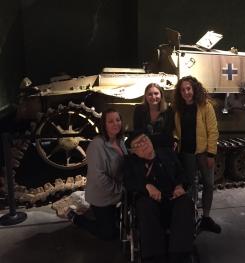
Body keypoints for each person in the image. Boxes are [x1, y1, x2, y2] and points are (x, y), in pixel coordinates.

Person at [124, 133, 194, 263]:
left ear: (150, 140)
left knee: (185, 202)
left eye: (144, 139)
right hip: (150, 203)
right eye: (137, 145)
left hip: (172, 198)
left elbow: (181, 173)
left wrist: (179, 186)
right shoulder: (130, 162)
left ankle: (179, 255)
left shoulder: (167, 153)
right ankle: (155, 257)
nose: (142, 144)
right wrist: (146, 186)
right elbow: (128, 182)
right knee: (144, 205)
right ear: (133, 151)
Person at [66, 108, 127, 241]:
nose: (115, 124)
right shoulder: (97, 145)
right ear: (104, 125)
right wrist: (121, 189)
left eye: (118, 120)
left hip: (116, 193)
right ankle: (77, 218)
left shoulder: (120, 140)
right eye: (110, 121)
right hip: (102, 196)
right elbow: (99, 178)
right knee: (108, 234)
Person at [173, 75, 221, 234]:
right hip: (187, 153)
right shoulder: (178, 109)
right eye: (183, 90)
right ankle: (191, 217)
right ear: (180, 92)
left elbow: (213, 131)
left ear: (194, 89)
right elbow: (175, 129)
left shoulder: (205, 106)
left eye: (189, 88)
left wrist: (211, 154)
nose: (186, 92)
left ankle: (206, 217)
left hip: (203, 153)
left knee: (208, 184)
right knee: (191, 187)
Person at [133, 83, 175, 149]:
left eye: (156, 93)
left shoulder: (168, 110)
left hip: (164, 149)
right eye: (150, 94)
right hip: (145, 149)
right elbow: (137, 132)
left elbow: (168, 133)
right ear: (145, 96)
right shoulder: (139, 110)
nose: (153, 97)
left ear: (161, 95)